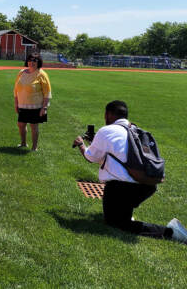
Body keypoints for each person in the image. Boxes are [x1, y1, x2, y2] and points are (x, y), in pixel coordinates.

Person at [73, 100, 187, 243]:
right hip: (146, 184)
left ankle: (171, 233)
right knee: (120, 214)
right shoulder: (135, 130)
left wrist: (81, 145)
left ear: (108, 115)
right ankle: (124, 213)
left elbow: (91, 157)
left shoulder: (106, 131)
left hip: (120, 188)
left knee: (116, 224)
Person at [14, 53, 51, 151]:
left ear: (39, 62)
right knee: (21, 124)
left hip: (36, 106)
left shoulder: (41, 74)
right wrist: (16, 103)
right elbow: (16, 89)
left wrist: (44, 107)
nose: (32, 62)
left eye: (35, 60)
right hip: (22, 104)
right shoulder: (21, 72)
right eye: (30, 60)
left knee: (34, 126)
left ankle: (34, 147)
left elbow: (47, 92)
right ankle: (23, 143)